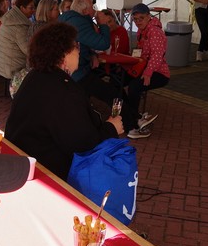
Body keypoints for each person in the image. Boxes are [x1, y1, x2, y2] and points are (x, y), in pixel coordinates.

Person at [7, 22, 124, 177]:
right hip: (46, 172)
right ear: (63, 54)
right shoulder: (62, 90)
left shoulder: (36, 76)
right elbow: (83, 145)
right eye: (76, 46)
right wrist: (112, 128)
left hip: (23, 161)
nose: (79, 51)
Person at [124, 3, 169, 140]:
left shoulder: (154, 32)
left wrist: (148, 73)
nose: (138, 22)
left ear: (149, 17)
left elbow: (157, 55)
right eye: (135, 19)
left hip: (159, 72)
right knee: (119, 80)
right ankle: (132, 116)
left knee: (134, 87)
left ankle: (133, 123)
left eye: (141, 18)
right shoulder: (143, 31)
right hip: (143, 68)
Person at [58, 0, 112, 101]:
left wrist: (92, 54)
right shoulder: (79, 23)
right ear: (85, 10)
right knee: (111, 94)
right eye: (92, 7)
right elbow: (104, 44)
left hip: (69, 70)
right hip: (76, 73)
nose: (94, 10)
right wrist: (103, 24)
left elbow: (83, 41)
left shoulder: (66, 18)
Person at [0, 0, 35, 87]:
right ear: (22, 8)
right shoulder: (19, 26)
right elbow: (28, 50)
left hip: (2, 64)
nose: (33, 10)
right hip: (12, 67)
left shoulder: (10, 18)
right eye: (31, 8)